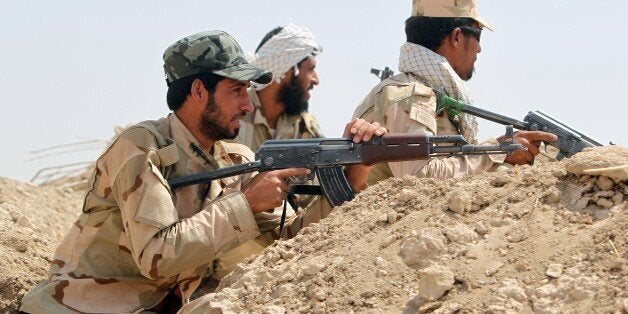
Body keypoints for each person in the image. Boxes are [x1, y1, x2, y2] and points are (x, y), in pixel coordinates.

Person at [19, 30, 385, 313]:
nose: (247, 104)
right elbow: (156, 258)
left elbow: (289, 242)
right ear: (197, 90)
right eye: (237, 90)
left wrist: (356, 170)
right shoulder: (142, 146)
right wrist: (244, 203)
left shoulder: (234, 158)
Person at [353, 0, 557, 184]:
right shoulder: (412, 95)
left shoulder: (425, 91)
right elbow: (418, 178)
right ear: (457, 37)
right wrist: (497, 152)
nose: (479, 49)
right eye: (478, 35)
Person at [234, 23, 323, 152]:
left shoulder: (304, 125)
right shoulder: (233, 119)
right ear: (287, 71)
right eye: (310, 69)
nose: (316, 80)